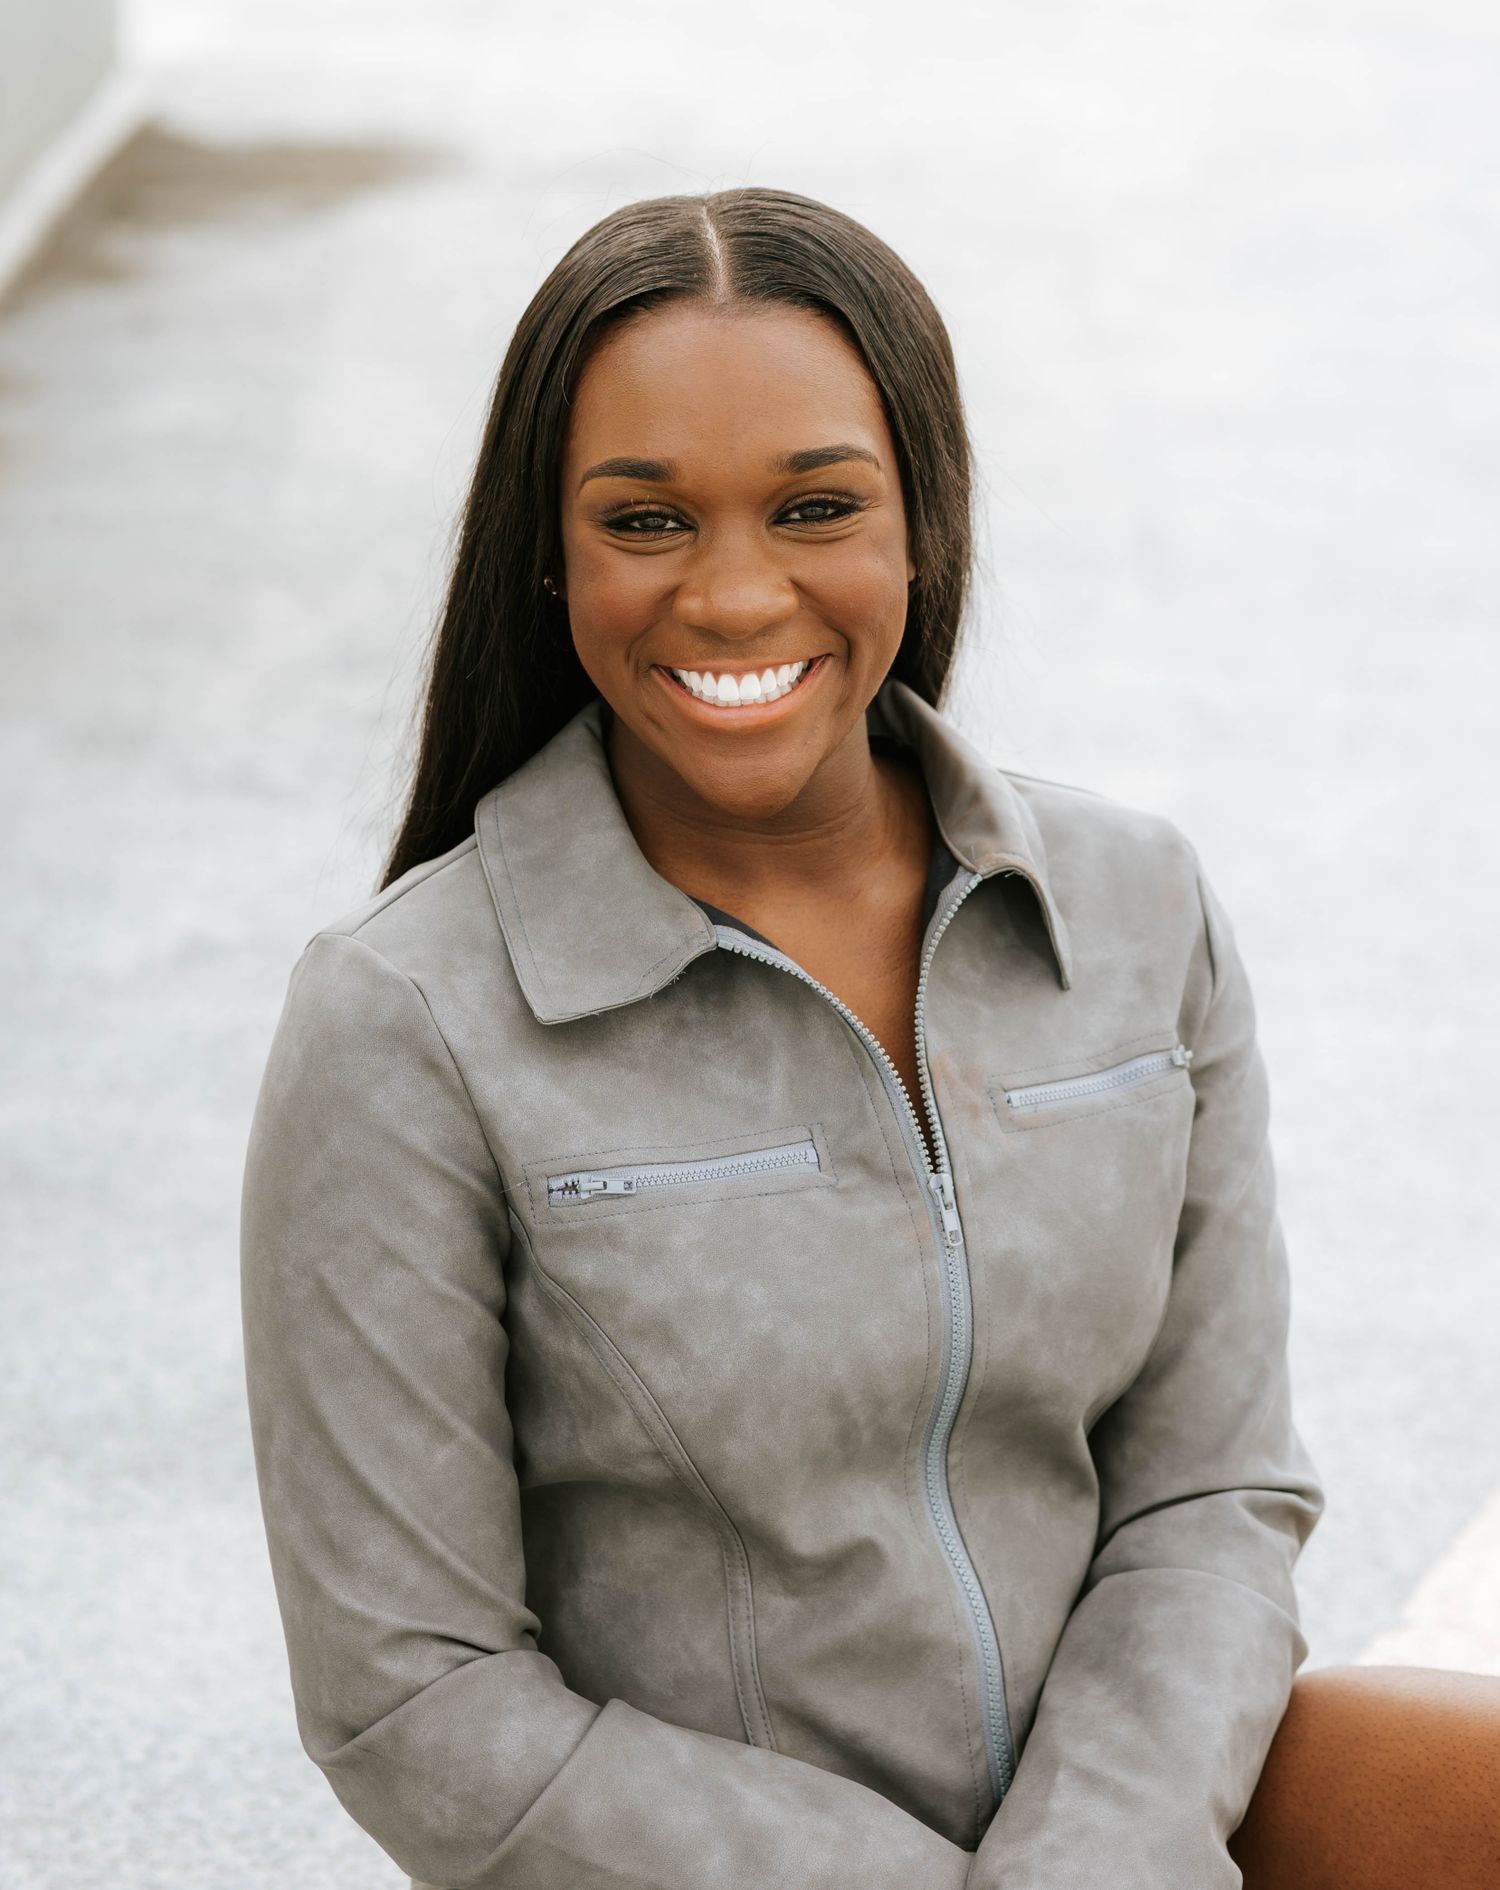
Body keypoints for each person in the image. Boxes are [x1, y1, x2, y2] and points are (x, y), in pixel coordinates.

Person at [239, 186, 1498, 1890]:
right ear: (552, 554)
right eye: (646, 520)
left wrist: (1089, 1862)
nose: (733, 593)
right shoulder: (403, 1019)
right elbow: (416, 1697)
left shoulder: (1133, 910)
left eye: (816, 506)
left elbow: (1209, 1497)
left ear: (925, 523)